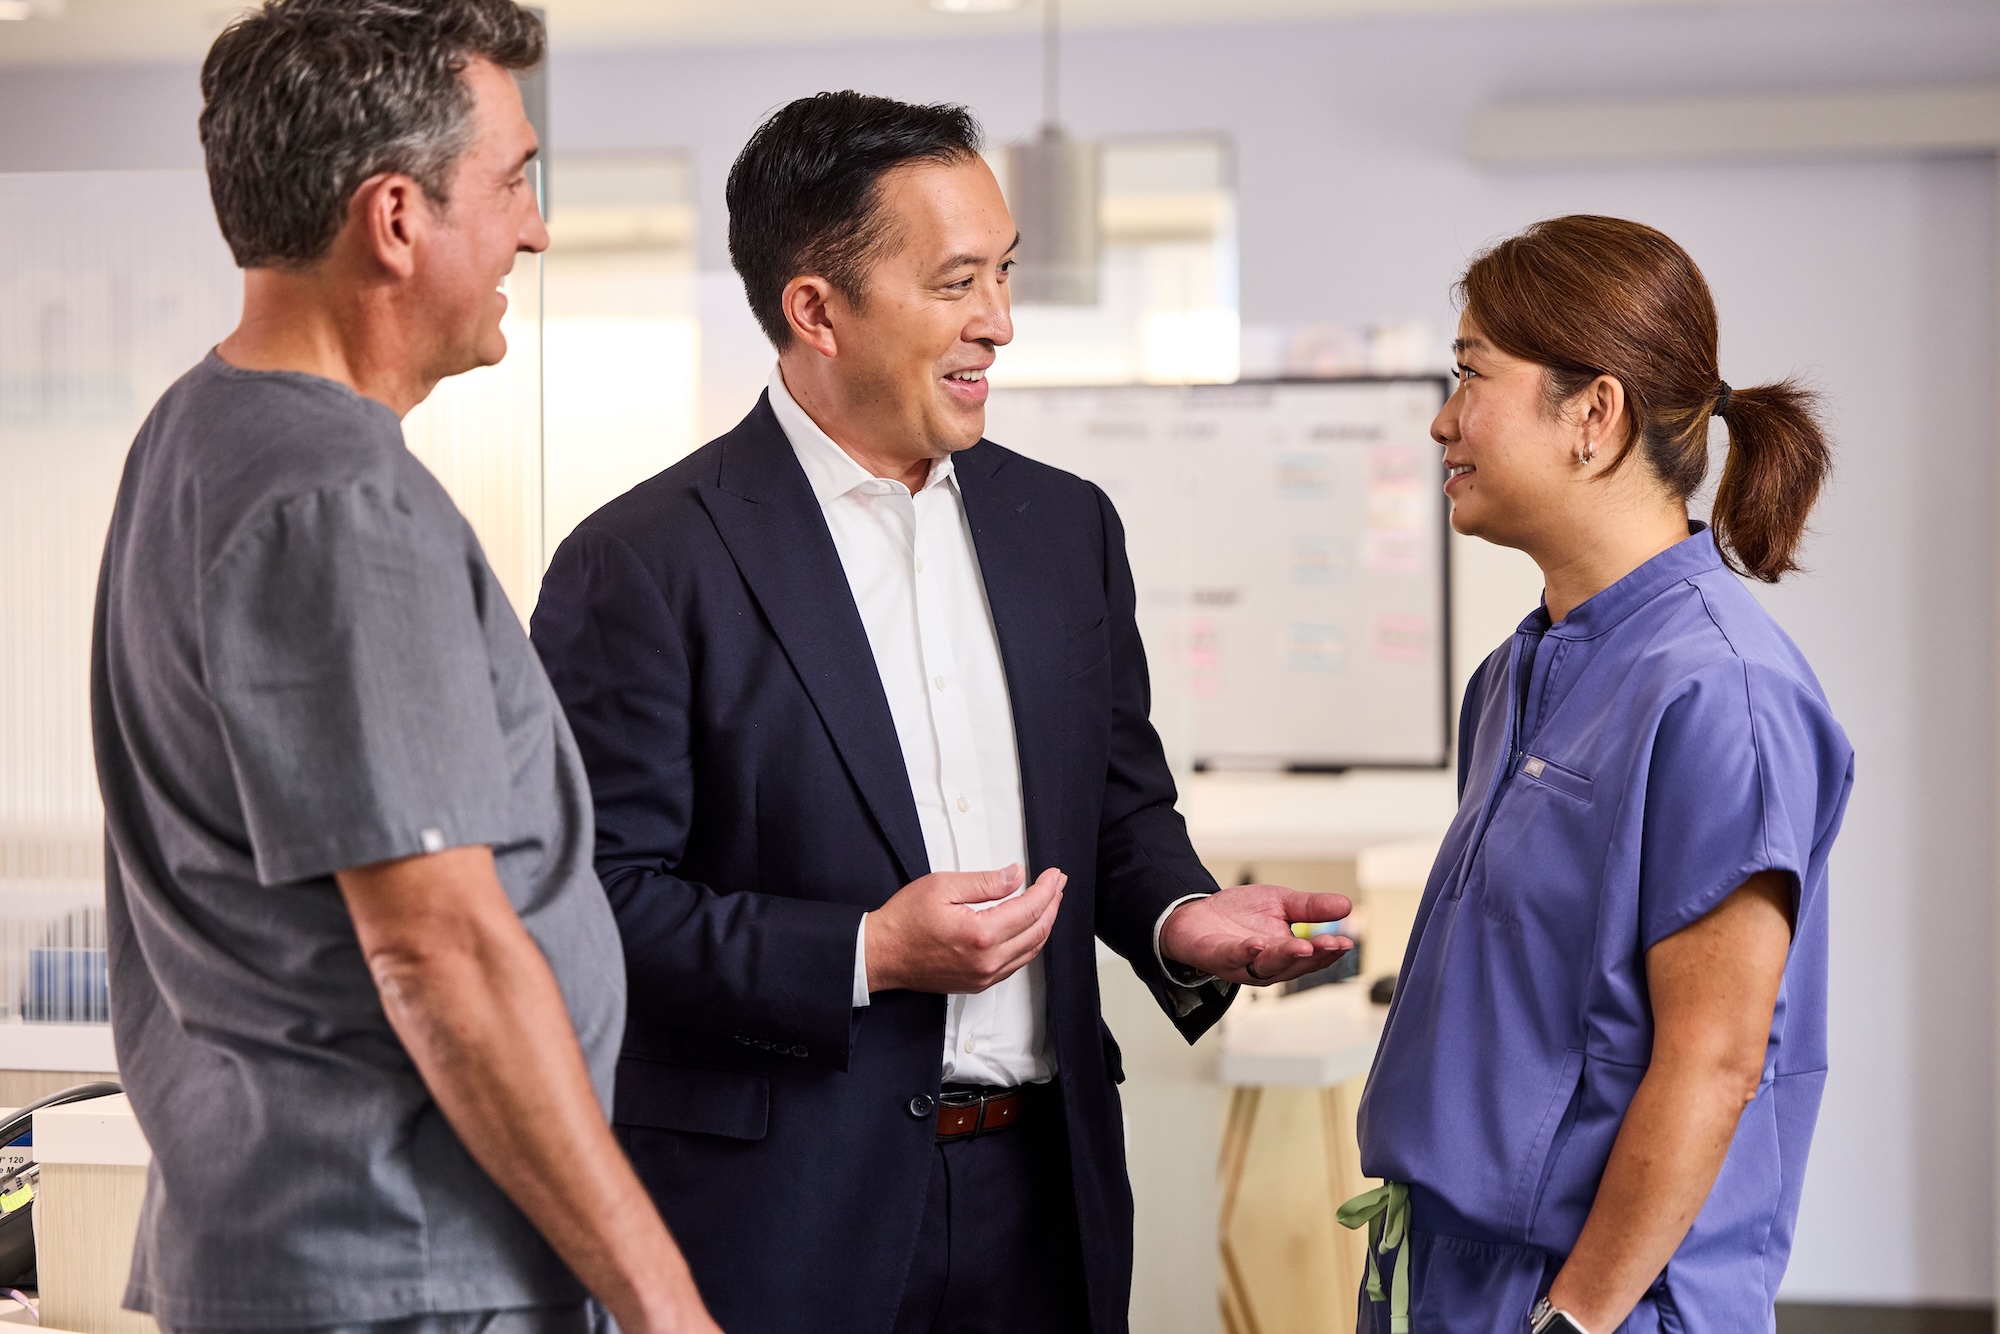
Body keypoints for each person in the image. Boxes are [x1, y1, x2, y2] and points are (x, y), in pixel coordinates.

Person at [529, 91, 1353, 1334]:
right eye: (956, 282)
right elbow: (591, 907)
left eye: (1004, 274)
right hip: (778, 1217)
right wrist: (865, 952)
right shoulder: (641, 561)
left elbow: (1118, 809)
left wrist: (1182, 914)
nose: (999, 324)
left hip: (1043, 1196)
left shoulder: (1063, 526)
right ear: (815, 309)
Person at [90, 3, 718, 1332]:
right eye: (512, 183)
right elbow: (442, 956)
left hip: (322, 1250)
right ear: (394, 219)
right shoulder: (334, 499)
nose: (535, 229)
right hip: (402, 1269)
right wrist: (666, 1303)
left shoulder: (199, 433)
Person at [1344, 215, 1855, 1333]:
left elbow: (1712, 1062)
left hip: (1596, 1299)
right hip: (1449, 1268)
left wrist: (1572, 1318)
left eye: (1469, 374)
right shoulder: (1519, 672)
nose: (1440, 420)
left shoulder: (1719, 689)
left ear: (1593, 413)